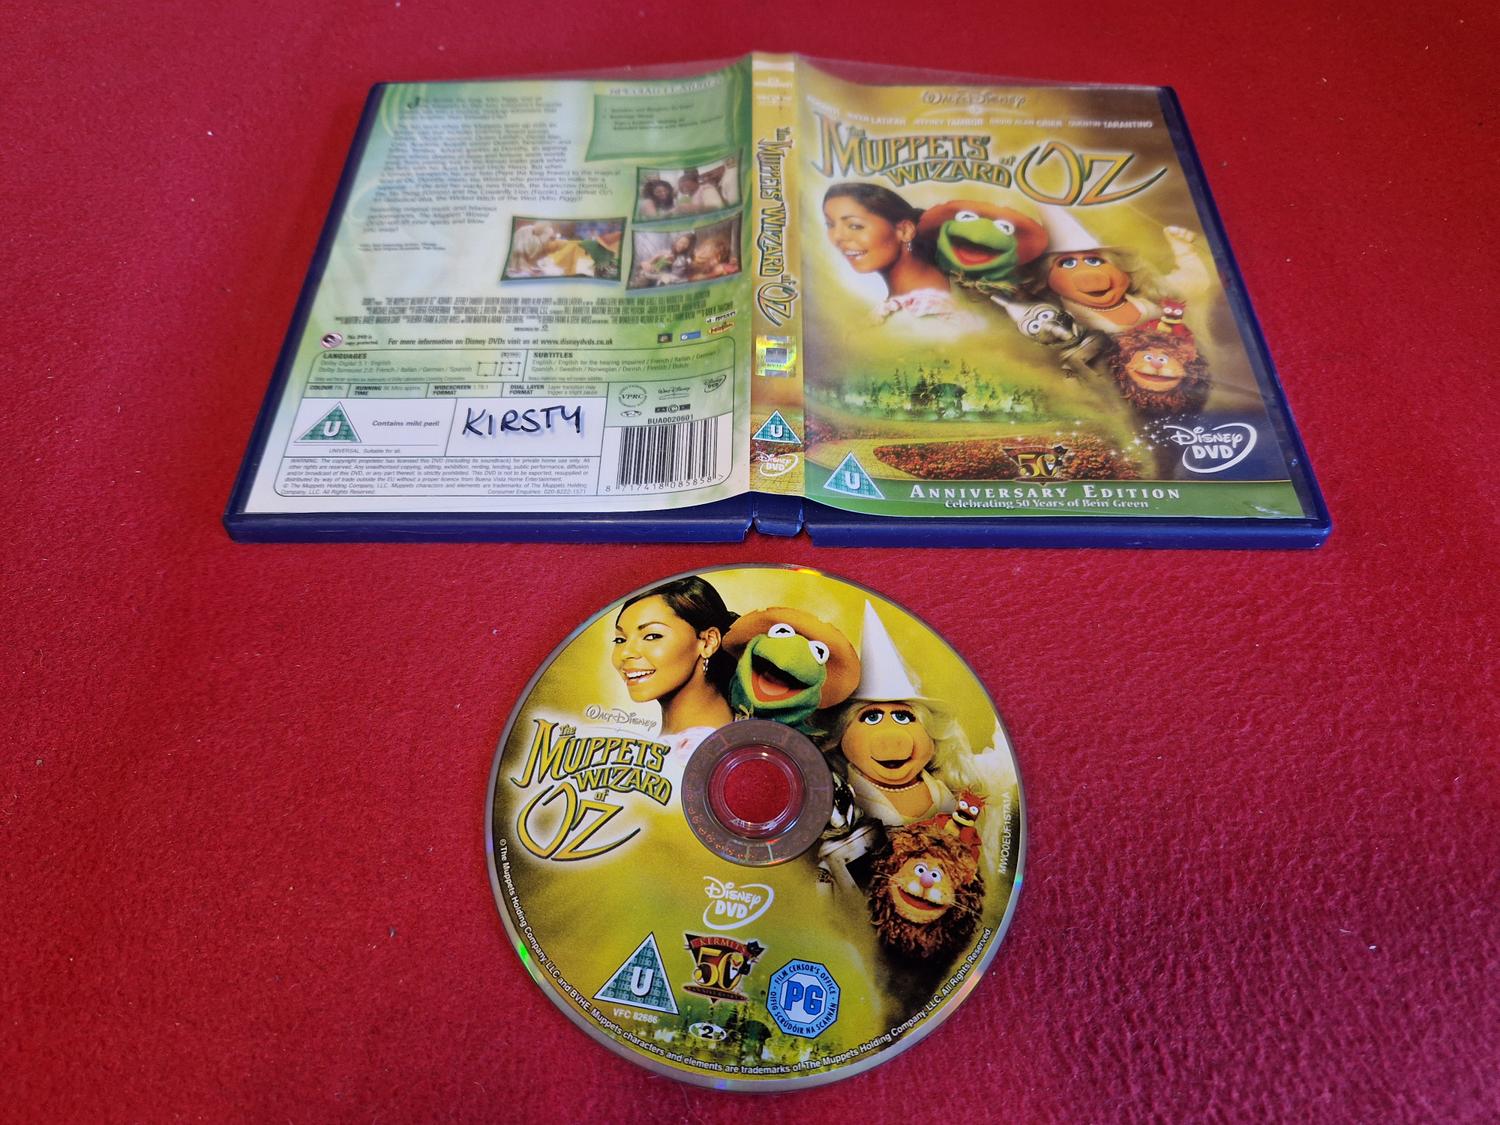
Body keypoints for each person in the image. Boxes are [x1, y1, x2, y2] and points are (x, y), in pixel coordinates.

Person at [611, 576, 736, 753]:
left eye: (652, 636)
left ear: (708, 642)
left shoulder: (693, 750)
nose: (625, 653)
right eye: (620, 639)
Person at [822, 183, 974, 327]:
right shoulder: (904, 309)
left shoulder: (927, 313)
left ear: (905, 231)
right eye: (830, 225)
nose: (837, 237)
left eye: (855, 226)